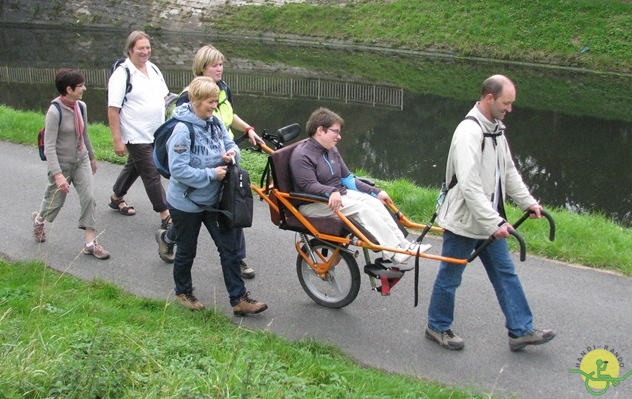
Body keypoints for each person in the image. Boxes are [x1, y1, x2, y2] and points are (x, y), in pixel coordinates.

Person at [425, 74, 555, 352]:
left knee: (506, 273)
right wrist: (493, 221)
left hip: (489, 220)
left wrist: (528, 203)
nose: (510, 109)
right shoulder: (468, 132)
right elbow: (470, 186)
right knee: (451, 277)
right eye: (506, 103)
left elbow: (508, 172)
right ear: (489, 98)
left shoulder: (495, 129)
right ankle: (437, 327)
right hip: (464, 222)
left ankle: (520, 330)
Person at [162, 76, 268, 315]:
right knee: (187, 250)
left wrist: (232, 153)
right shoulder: (182, 130)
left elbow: (233, 145)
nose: (214, 106)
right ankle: (183, 292)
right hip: (186, 203)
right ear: (196, 100)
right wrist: (211, 174)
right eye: (210, 102)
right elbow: (177, 170)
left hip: (215, 201)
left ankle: (239, 299)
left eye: (216, 102)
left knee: (229, 248)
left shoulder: (216, 123)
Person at [157, 45, 259, 276]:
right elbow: (183, 131)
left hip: (226, 158)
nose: (220, 68)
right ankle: (169, 236)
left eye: (221, 64)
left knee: (232, 206)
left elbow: (227, 116)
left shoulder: (223, 89)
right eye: (215, 65)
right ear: (202, 67)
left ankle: (237, 257)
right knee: (191, 219)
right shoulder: (189, 97)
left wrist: (248, 129)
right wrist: (209, 166)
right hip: (202, 167)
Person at [290, 107, 431, 265]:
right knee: (362, 209)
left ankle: (404, 245)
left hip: (337, 196)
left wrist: (375, 192)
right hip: (313, 203)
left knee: (375, 203)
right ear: (320, 130)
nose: (339, 136)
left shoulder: (331, 149)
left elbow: (348, 179)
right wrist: (331, 191)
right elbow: (308, 185)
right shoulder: (301, 156)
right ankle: (393, 252)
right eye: (335, 132)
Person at [32, 69, 109, 259]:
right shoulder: (54, 111)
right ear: (69, 89)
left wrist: (91, 157)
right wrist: (58, 175)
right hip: (62, 165)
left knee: (89, 198)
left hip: (80, 160)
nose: (84, 88)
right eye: (80, 85)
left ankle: (90, 243)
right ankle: (39, 220)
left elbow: (84, 134)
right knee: (54, 204)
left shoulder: (80, 106)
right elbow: (49, 147)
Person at [107, 30, 172, 232]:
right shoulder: (122, 75)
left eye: (148, 48)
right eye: (140, 48)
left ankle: (117, 197)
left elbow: (164, 96)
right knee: (151, 172)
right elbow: (113, 109)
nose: (145, 52)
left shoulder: (153, 69)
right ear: (130, 50)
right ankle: (166, 215)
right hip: (135, 135)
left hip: (156, 132)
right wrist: (117, 140)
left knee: (135, 166)